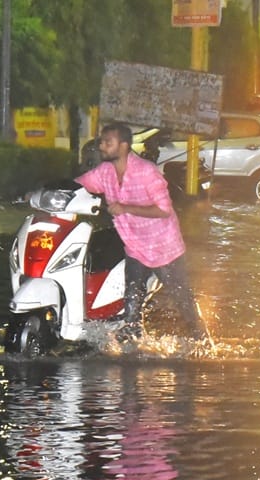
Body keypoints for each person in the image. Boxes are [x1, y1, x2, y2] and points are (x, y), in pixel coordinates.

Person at [76, 122, 207, 342]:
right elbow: (81, 184)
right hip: (135, 248)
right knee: (132, 301)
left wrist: (125, 208)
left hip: (164, 248)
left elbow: (164, 210)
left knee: (182, 300)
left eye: (108, 142)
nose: (102, 146)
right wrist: (50, 191)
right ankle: (133, 344)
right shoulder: (105, 172)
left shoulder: (146, 171)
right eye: (102, 141)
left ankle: (202, 342)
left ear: (124, 146)